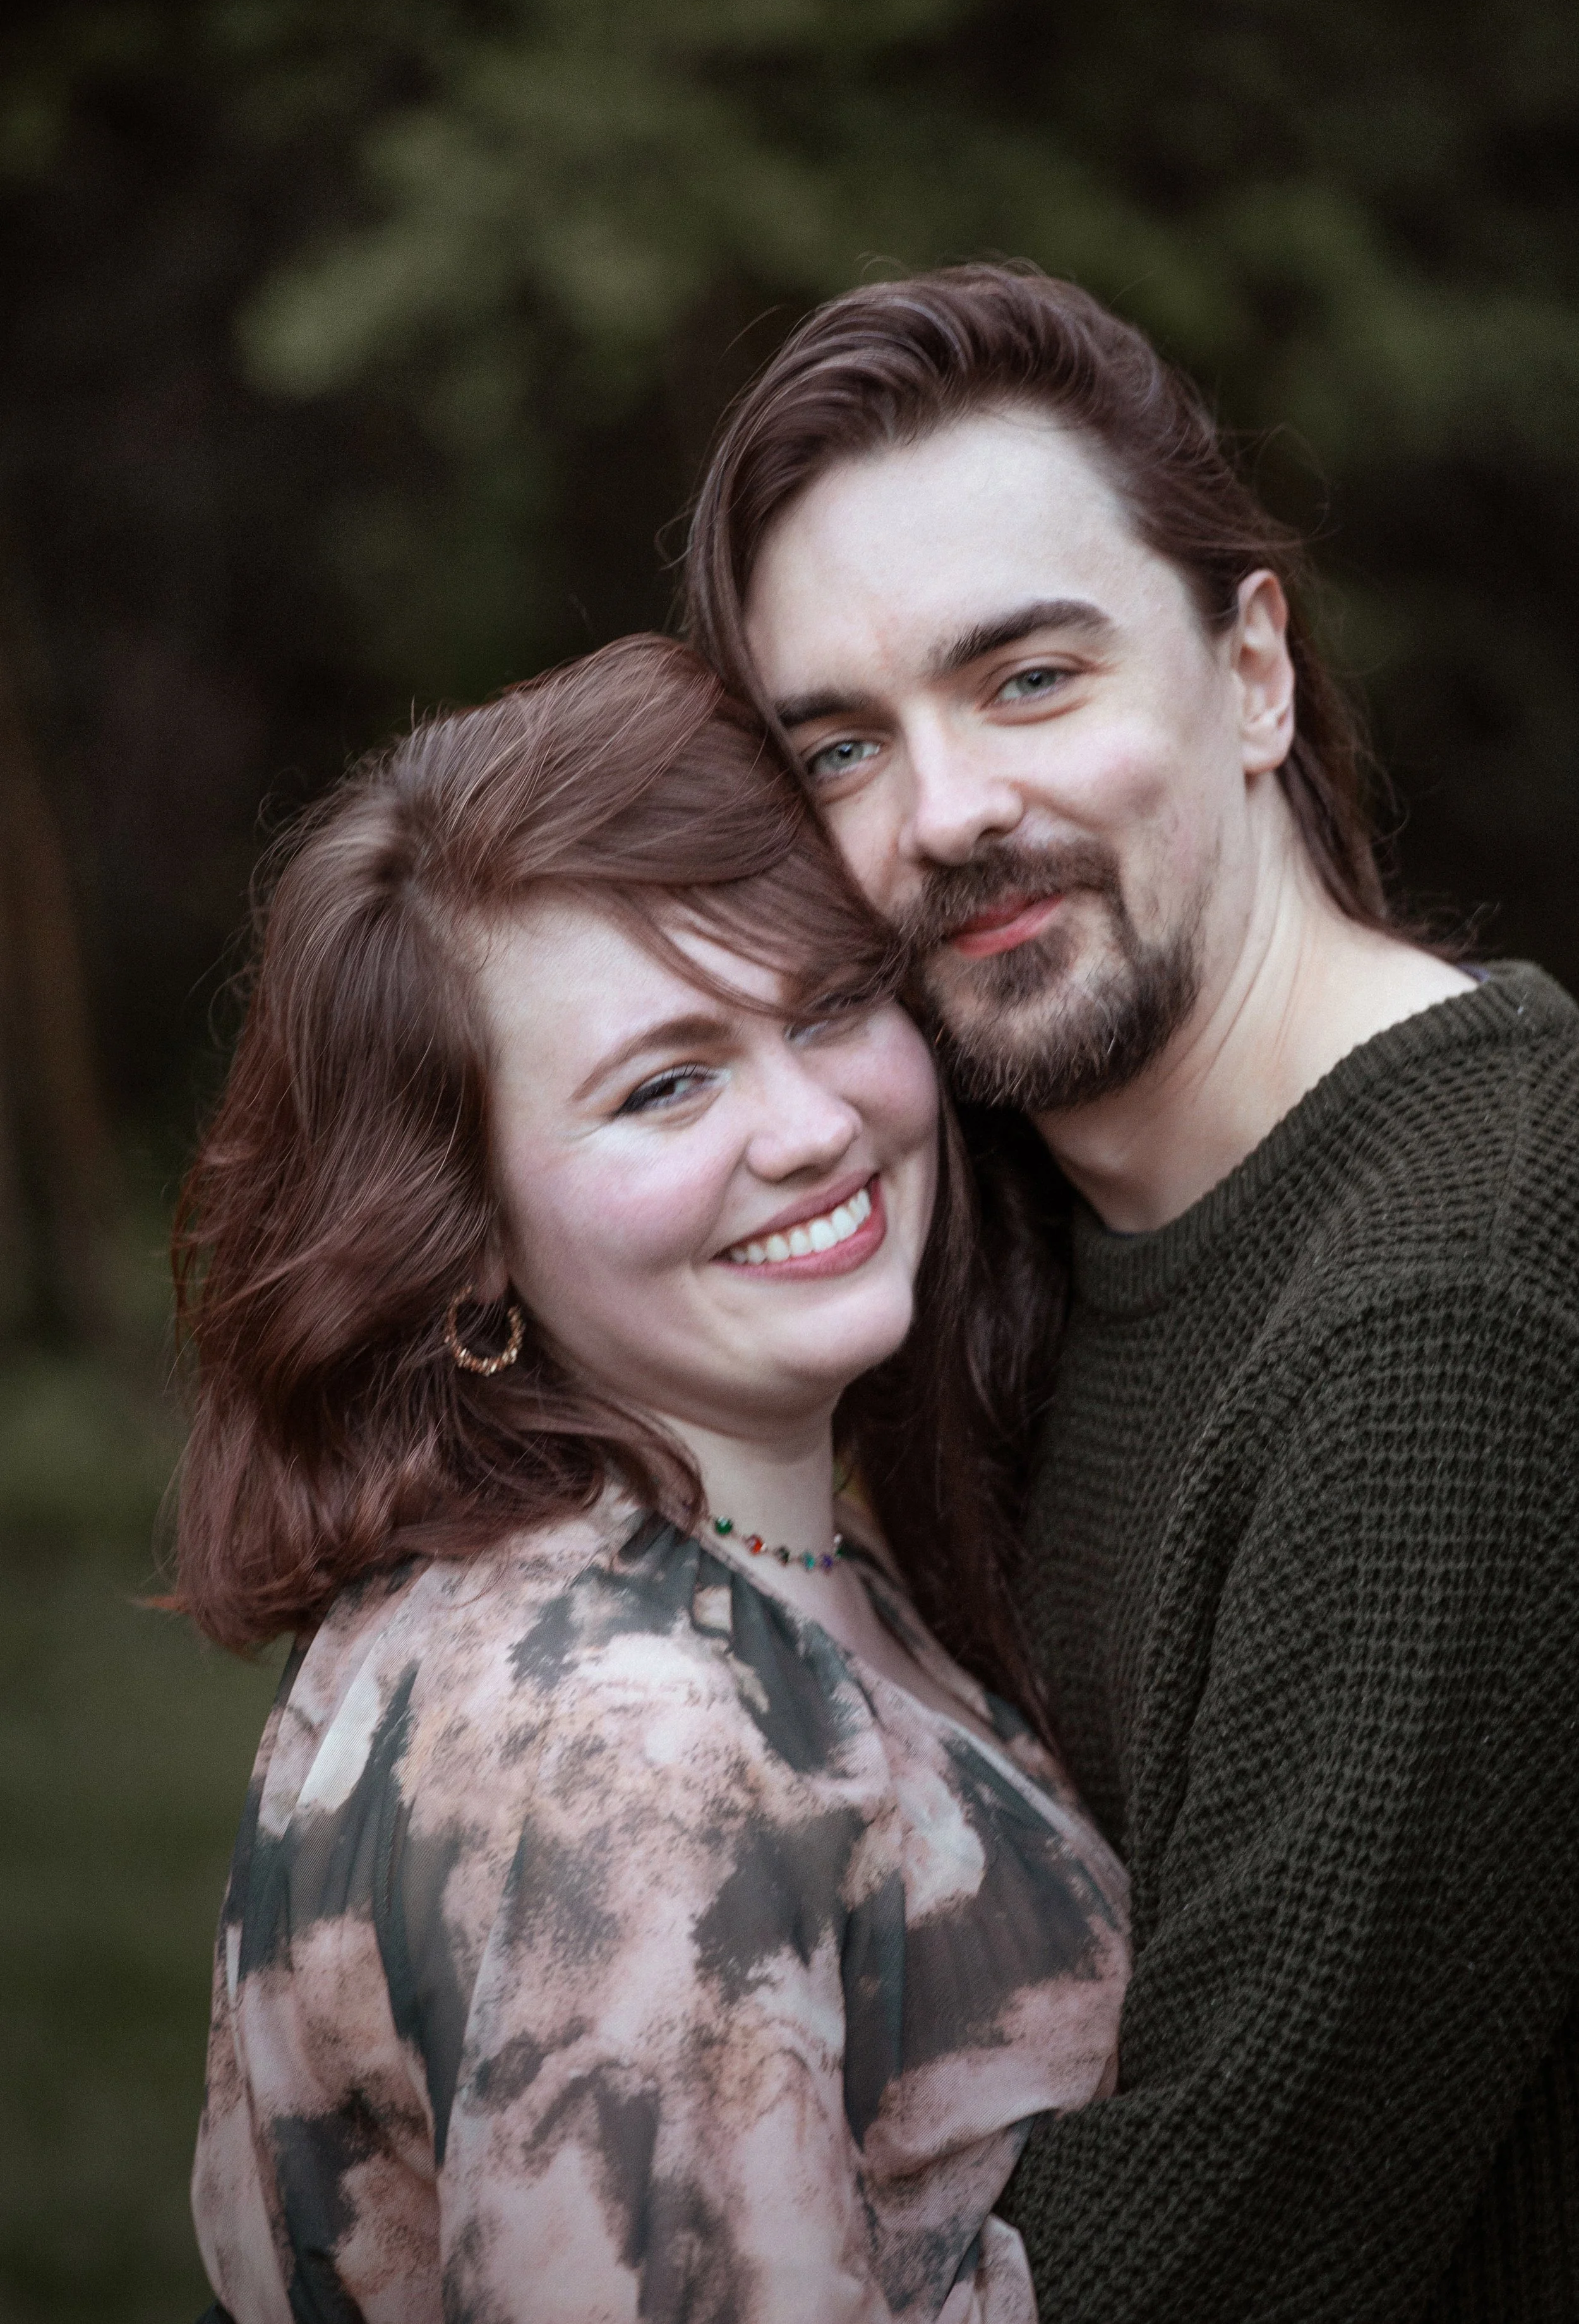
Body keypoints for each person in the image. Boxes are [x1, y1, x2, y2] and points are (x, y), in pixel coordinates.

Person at [683, 265, 1579, 2321]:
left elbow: (1228, 2247)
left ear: (1251, 673)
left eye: (1025, 678)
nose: (943, 813)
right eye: (842, 748)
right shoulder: (998, 1255)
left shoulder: (1451, 1311)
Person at [175, 635, 1129, 2323]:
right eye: (666, 1084)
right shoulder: (629, 1740)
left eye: (828, 1005)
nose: (810, 1125)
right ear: (466, 1232)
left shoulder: (712, 1566)